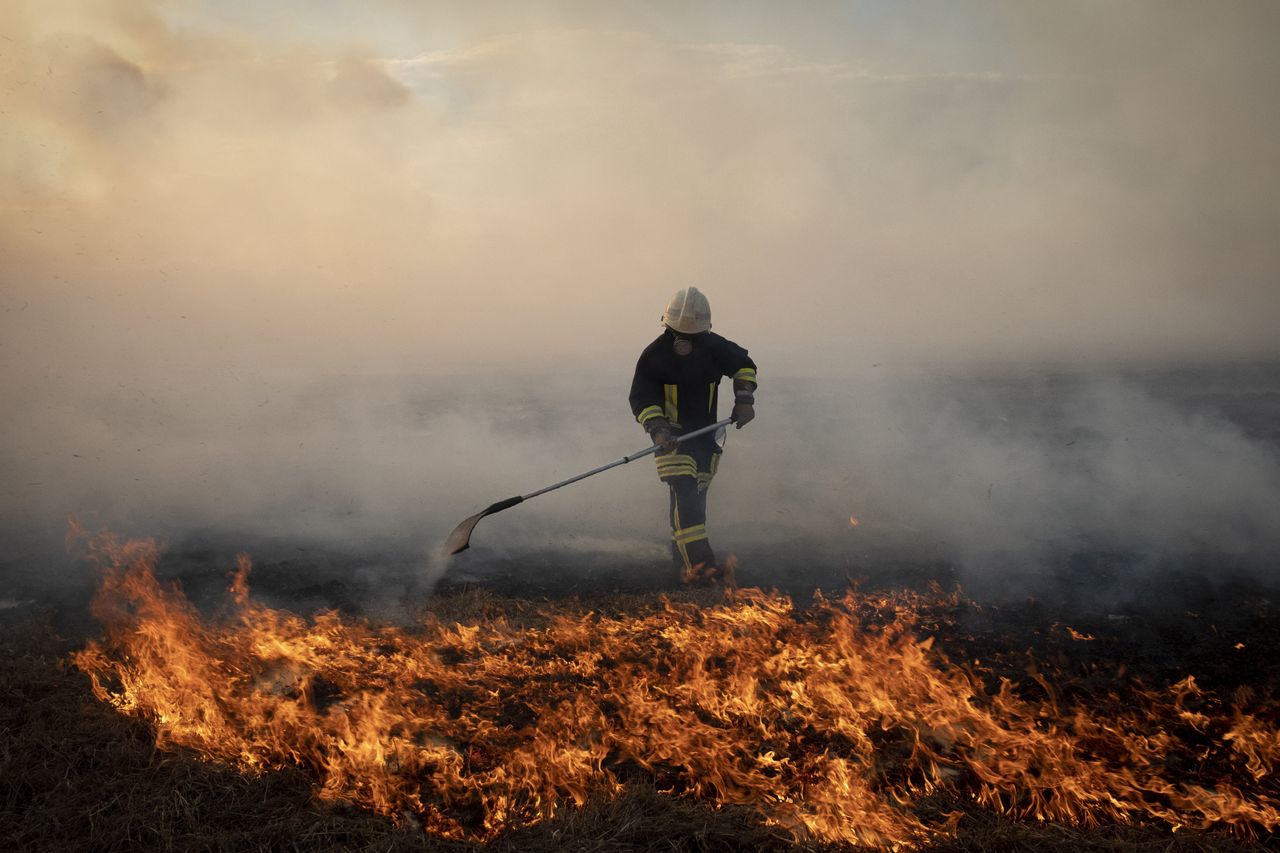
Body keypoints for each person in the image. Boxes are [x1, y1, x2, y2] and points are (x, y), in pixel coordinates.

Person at [629, 287, 756, 584]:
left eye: (694, 337)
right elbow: (641, 400)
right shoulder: (653, 356)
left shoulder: (713, 347)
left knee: (695, 499)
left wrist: (744, 399)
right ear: (667, 327)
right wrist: (658, 429)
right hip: (672, 442)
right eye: (678, 335)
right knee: (685, 495)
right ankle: (701, 570)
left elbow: (744, 366)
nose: (686, 344)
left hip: (706, 439)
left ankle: (682, 567)